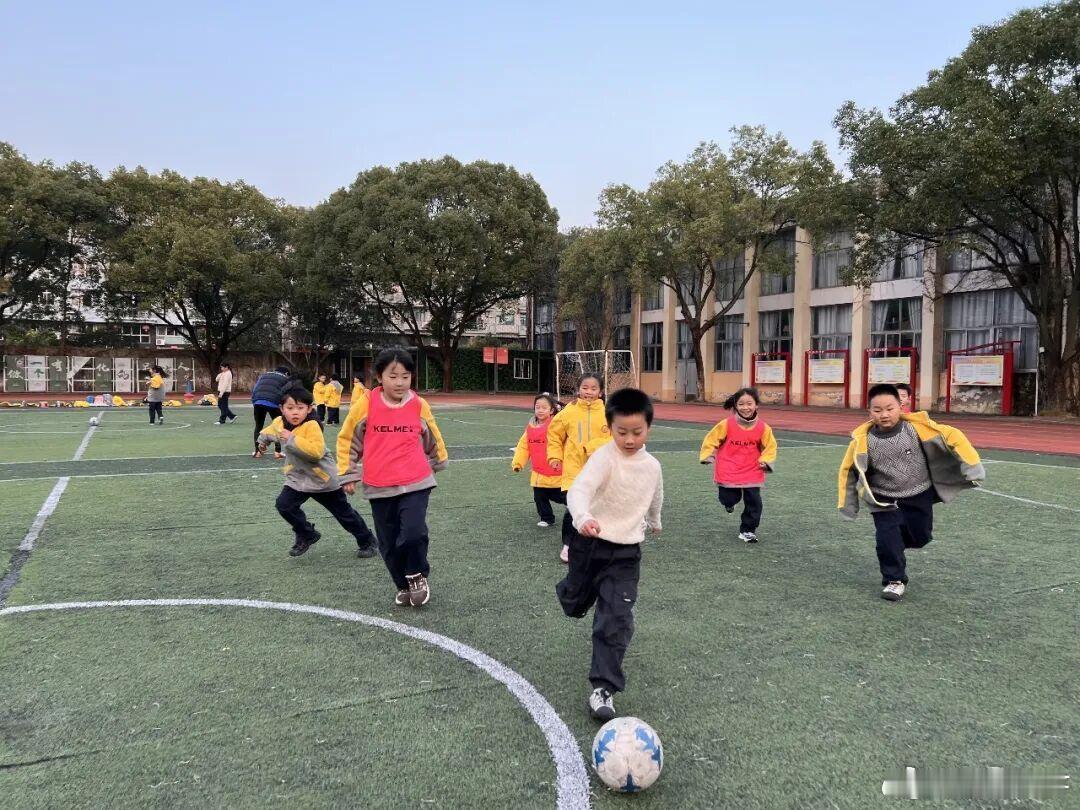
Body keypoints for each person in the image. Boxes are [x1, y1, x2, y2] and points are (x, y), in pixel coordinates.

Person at [556, 388, 663, 721]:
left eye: (637, 432)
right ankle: (571, 591)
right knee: (574, 604)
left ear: (648, 428)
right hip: (590, 544)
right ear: (610, 427)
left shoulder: (652, 466)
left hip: (626, 553)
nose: (629, 439)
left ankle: (603, 689)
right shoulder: (604, 458)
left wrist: (655, 520)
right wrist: (583, 518)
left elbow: (655, 495)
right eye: (621, 432)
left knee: (616, 619)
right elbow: (579, 490)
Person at [839, 383, 986, 601]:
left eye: (889, 408)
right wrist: (848, 504)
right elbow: (848, 472)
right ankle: (894, 580)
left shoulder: (916, 429)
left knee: (920, 537)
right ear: (869, 412)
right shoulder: (863, 441)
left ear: (901, 406)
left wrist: (972, 465)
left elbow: (953, 436)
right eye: (877, 410)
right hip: (884, 500)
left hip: (918, 494)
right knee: (887, 539)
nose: (884, 415)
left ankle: (898, 544)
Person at [337, 348, 448, 607]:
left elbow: (432, 434)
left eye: (405, 377)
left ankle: (417, 574)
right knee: (388, 542)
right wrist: (348, 473)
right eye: (393, 376)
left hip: (416, 480)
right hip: (380, 484)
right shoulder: (365, 404)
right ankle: (402, 584)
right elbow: (348, 439)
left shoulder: (419, 404)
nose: (400, 383)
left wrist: (439, 459)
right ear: (379, 377)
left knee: (413, 532)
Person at [258, 384, 378, 559]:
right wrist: (262, 441)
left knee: (344, 514)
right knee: (284, 505)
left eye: (300, 408)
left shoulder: (312, 425)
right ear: (281, 409)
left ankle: (367, 540)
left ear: (309, 408)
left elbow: (316, 452)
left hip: (323, 480)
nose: (295, 413)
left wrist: (292, 439)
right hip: (298, 479)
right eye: (290, 408)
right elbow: (271, 431)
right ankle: (307, 533)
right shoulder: (280, 423)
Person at [698, 387, 777, 543]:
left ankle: (748, 530)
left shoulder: (764, 428)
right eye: (741, 404)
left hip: (752, 469)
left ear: (756, 405)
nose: (745, 407)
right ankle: (729, 504)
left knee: (755, 502)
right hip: (728, 468)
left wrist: (766, 461)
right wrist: (708, 455)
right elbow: (711, 439)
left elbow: (770, 447)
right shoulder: (725, 424)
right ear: (735, 405)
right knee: (729, 498)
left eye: (749, 404)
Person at [546, 374, 610, 563]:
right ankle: (568, 544)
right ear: (578, 389)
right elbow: (554, 435)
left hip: (600, 469)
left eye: (593, 388)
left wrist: (592, 447)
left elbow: (616, 437)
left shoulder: (609, 413)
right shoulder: (569, 412)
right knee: (573, 508)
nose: (589, 392)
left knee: (598, 508)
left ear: (601, 392)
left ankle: (598, 543)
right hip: (574, 470)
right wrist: (555, 457)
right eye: (585, 387)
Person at [512, 393, 564, 527]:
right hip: (538, 472)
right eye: (537, 407)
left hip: (556, 470)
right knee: (539, 496)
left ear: (551, 410)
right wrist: (518, 463)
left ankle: (579, 511)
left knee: (563, 497)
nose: (540, 410)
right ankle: (546, 518)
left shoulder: (557, 425)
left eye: (544, 408)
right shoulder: (530, 427)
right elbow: (523, 446)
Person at [251, 366, 293, 459]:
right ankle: (278, 452)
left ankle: (257, 452)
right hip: (274, 402)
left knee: (258, 426)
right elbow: (287, 393)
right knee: (279, 426)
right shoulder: (286, 379)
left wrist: (255, 402)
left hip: (258, 401)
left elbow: (255, 388)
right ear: (286, 373)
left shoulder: (264, 375)